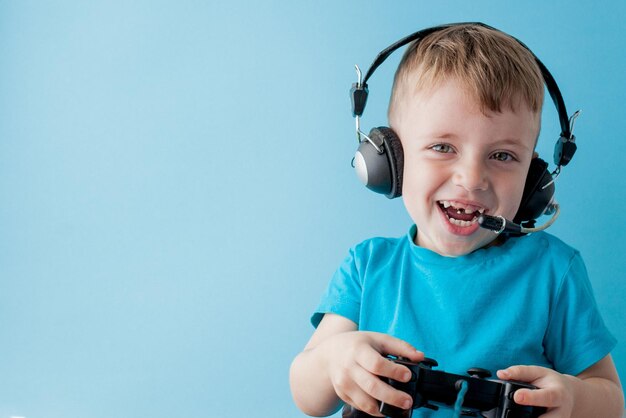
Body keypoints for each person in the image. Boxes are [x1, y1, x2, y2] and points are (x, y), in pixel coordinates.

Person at [289, 23, 624, 417]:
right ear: (388, 162)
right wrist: (333, 362)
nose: (471, 178)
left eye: (502, 156)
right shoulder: (368, 267)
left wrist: (574, 399)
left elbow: (612, 402)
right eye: (442, 147)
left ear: (535, 182)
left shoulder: (554, 272)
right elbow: (308, 396)